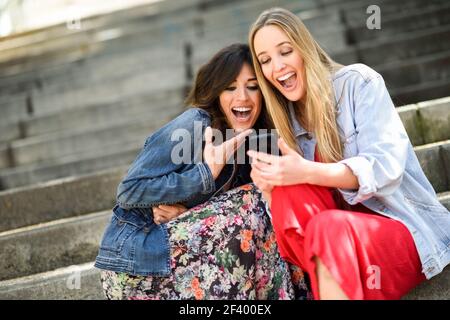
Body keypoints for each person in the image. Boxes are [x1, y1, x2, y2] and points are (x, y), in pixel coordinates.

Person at [247, 7, 450, 300]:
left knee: (327, 227)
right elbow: (293, 229)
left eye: (285, 51)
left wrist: (306, 171)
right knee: (289, 194)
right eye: (265, 60)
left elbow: (386, 167)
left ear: (304, 47)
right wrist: (270, 191)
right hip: (336, 249)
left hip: (398, 234)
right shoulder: (285, 123)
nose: (276, 67)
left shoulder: (358, 83)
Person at [94, 43, 311, 300]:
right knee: (253, 200)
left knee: (271, 206)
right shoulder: (196, 123)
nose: (242, 97)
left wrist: (188, 216)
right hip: (139, 261)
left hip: (188, 257)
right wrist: (205, 173)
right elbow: (129, 191)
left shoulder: (260, 142)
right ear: (216, 93)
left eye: (252, 86)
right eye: (230, 87)